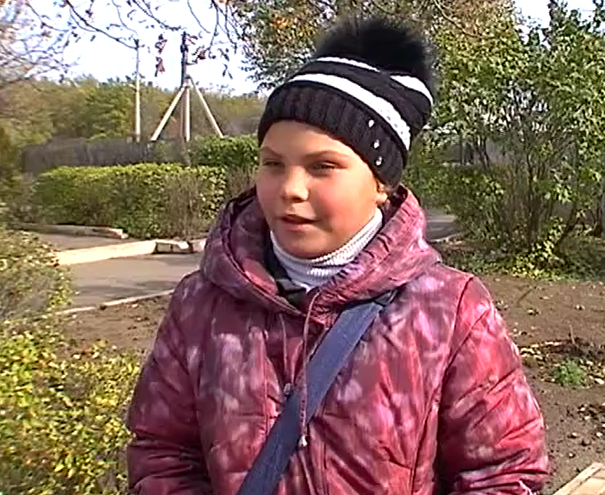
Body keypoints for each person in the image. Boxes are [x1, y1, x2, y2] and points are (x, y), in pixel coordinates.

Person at [125, 15, 549, 495]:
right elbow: (163, 453)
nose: (290, 189)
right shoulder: (202, 305)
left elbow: (504, 474)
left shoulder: (450, 312)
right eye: (272, 164)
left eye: (323, 166)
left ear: (381, 185)